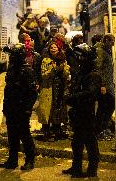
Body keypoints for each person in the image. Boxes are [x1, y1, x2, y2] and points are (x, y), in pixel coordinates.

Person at [62, 43, 102, 178]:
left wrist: (72, 98)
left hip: (88, 113)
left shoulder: (93, 74)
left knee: (90, 142)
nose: (79, 58)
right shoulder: (83, 71)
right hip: (78, 112)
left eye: (81, 56)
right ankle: (76, 167)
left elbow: (90, 93)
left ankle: (92, 170)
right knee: (77, 142)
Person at [0, 43, 38, 170]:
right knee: (12, 136)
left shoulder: (27, 70)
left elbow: (32, 93)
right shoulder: (12, 68)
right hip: (11, 107)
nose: (11, 57)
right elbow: (8, 89)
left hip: (21, 109)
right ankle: (12, 160)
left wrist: (27, 109)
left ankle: (30, 160)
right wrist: (5, 106)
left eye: (13, 55)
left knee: (25, 135)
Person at [37, 39, 70, 141]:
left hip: (59, 88)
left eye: (55, 47)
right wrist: (53, 70)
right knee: (47, 109)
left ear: (58, 48)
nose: (53, 49)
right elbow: (44, 75)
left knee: (58, 108)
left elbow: (66, 74)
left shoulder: (63, 59)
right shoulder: (45, 60)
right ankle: (46, 131)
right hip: (48, 88)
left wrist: (65, 70)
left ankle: (57, 130)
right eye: (51, 48)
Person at [94, 33, 115, 140]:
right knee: (104, 108)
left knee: (108, 107)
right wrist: (102, 85)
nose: (113, 44)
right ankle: (99, 131)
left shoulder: (107, 51)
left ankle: (103, 129)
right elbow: (98, 69)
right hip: (104, 86)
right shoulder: (100, 52)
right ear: (106, 40)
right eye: (111, 41)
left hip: (108, 84)